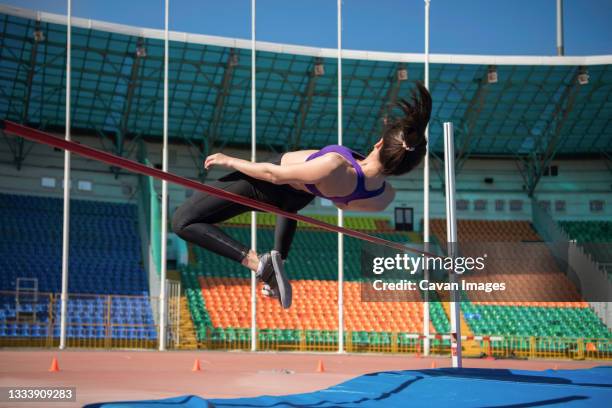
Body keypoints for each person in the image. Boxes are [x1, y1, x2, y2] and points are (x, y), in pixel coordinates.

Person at [172, 81, 432, 309]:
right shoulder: (383, 197)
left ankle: (258, 263)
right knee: (287, 209)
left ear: (379, 143)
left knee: (183, 221)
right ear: (403, 168)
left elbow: (274, 175)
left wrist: (230, 161)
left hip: (263, 184)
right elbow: (343, 205)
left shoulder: (334, 164)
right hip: (292, 203)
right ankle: (277, 264)